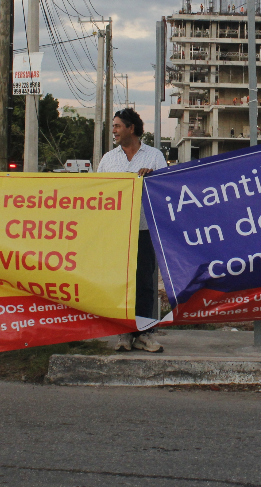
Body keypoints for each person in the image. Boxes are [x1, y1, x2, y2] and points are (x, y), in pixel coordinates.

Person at [97, 108, 168, 353]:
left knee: (145, 283)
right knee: (121, 282)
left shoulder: (154, 156)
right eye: (114, 126)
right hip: (117, 231)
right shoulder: (108, 160)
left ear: (131, 128)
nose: (114, 131)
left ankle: (145, 333)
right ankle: (124, 333)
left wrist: (152, 177)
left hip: (145, 228)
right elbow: (98, 193)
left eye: (117, 126)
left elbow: (165, 189)